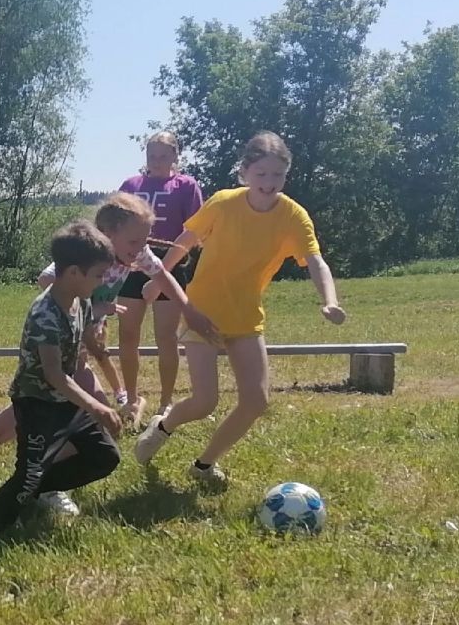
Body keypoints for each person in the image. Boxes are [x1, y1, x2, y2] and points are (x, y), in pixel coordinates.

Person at [0, 193, 219, 515]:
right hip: (55, 344)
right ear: (107, 233)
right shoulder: (87, 252)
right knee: (63, 411)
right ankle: (41, 482)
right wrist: (86, 313)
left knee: (38, 413)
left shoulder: (135, 253)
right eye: (133, 240)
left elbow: (162, 276)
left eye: (144, 239)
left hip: (78, 348)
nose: (141, 247)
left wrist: (188, 310)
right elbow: (48, 278)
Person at [133, 131, 348, 486]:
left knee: (255, 401)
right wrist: (159, 278)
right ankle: (165, 425)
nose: (269, 182)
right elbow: (185, 241)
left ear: (286, 175)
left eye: (277, 175)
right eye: (261, 174)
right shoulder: (222, 203)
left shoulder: (294, 216)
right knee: (205, 403)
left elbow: (315, 260)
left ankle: (204, 465)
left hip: (246, 317)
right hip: (202, 312)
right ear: (245, 172)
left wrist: (330, 300)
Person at [0, 222, 124, 543]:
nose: (102, 282)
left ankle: (34, 489)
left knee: (105, 457)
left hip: (67, 401)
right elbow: (54, 375)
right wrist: (97, 406)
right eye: (97, 275)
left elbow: (79, 345)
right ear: (71, 274)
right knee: (26, 478)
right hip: (38, 405)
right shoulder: (45, 315)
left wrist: (97, 346)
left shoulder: (80, 301)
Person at [115, 130, 205, 423]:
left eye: (163, 156)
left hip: (171, 263)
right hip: (131, 263)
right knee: (128, 334)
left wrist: (161, 273)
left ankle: (166, 402)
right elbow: (113, 225)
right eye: (152, 156)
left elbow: (193, 234)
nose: (157, 161)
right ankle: (130, 398)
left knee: (166, 336)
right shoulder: (131, 185)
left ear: (175, 156)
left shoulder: (186, 186)